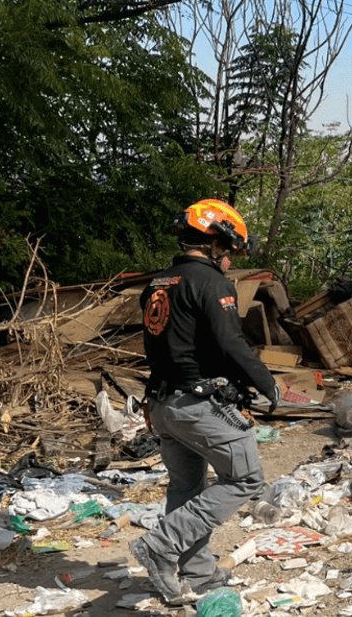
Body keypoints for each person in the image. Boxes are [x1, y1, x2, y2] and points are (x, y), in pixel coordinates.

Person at [130, 199, 280, 605]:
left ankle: (197, 574)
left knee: (188, 487)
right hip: (198, 404)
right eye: (228, 248)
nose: (229, 259)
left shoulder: (159, 283)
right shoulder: (211, 282)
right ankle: (161, 546)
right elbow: (231, 342)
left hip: (163, 404)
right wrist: (267, 383)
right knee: (246, 479)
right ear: (215, 240)